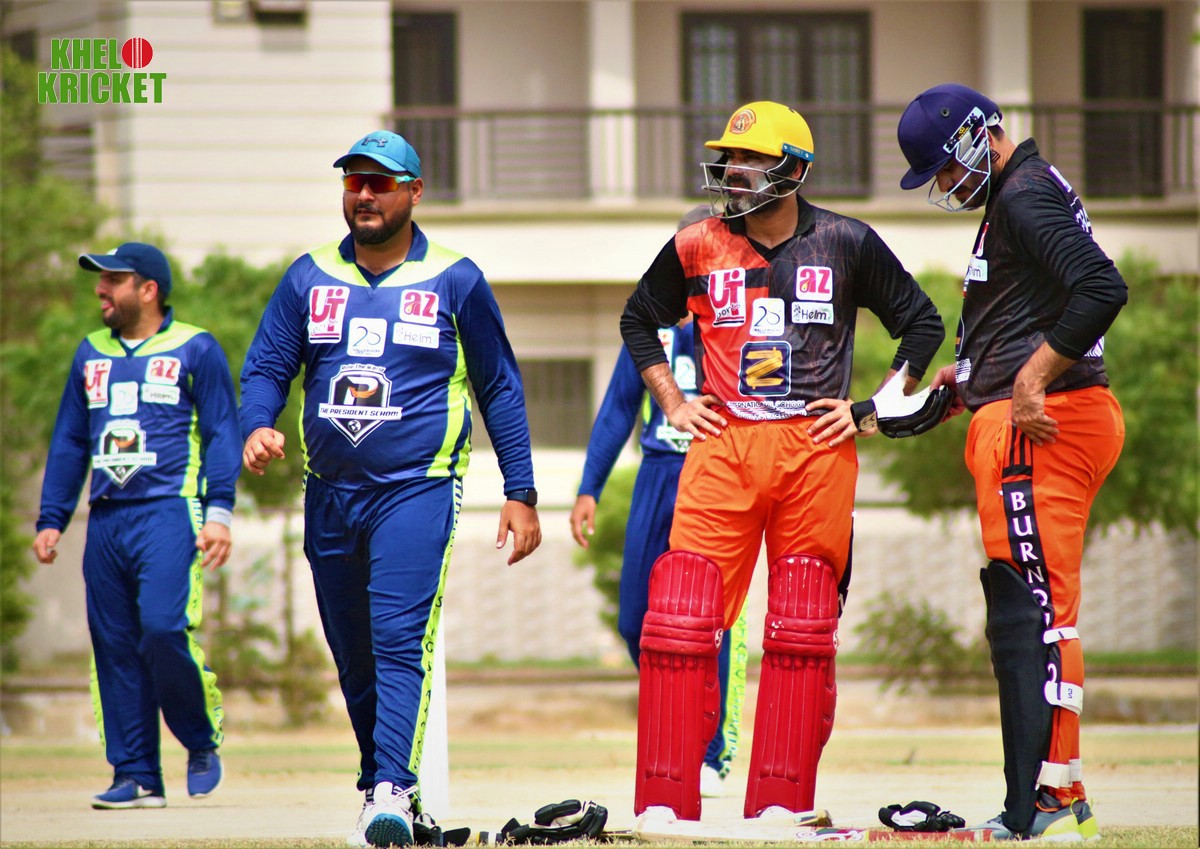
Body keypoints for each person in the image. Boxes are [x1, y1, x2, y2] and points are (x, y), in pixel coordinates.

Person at [620, 101, 945, 824]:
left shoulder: (847, 241)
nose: (734, 170)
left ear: (793, 170)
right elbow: (638, 319)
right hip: (723, 443)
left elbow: (922, 323)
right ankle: (667, 799)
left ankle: (780, 801)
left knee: (802, 623)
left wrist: (870, 409)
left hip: (815, 448)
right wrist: (674, 401)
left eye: (751, 159)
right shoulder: (695, 244)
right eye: (730, 157)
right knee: (681, 617)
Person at [239, 130, 541, 849]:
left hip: (417, 489)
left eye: (381, 183)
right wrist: (257, 423)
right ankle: (389, 788)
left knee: (398, 636)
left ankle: (391, 793)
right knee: (354, 654)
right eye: (355, 182)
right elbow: (267, 365)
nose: (366, 195)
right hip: (329, 492)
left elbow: (499, 386)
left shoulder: (455, 278)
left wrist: (521, 489)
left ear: (414, 191)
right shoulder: (308, 276)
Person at [896, 83, 1127, 842]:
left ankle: (1046, 799)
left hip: (1046, 424)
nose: (945, 183)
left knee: (1033, 615)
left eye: (944, 165)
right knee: (1026, 609)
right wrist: (970, 378)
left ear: (980, 134)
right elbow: (1028, 309)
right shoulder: (1018, 193)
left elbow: (1101, 287)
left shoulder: (1022, 195)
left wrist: (1029, 379)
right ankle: (1053, 791)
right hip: (1033, 420)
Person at [33, 242, 238, 809]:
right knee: (114, 644)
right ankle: (137, 774)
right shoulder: (90, 352)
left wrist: (219, 513)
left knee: (164, 628)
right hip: (105, 518)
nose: (101, 289)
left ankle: (200, 739)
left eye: (113, 280)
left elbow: (222, 432)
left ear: (148, 290)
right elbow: (70, 439)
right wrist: (52, 517)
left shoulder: (196, 347)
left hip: (170, 511)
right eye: (99, 280)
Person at [569, 314, 748, 799]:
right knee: (634, 622)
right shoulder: (649, 327)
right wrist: (589, 487)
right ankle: (676, 721)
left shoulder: (736, 317)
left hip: (716, 471)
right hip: (656, 474)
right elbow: (617, 407)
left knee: (715, 619)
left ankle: (712, 752)